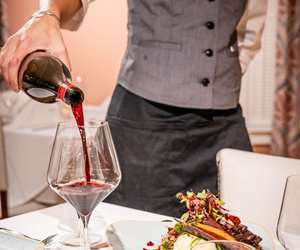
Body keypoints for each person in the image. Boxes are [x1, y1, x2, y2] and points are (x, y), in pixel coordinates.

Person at [0, 0, 268, 217]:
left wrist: (225, 75)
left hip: (225, 125)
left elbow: (252, 26)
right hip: (143, 125)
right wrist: (47, 14)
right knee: (132, 234)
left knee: (236, 232)